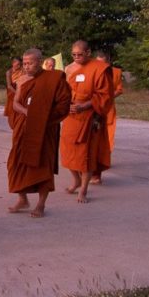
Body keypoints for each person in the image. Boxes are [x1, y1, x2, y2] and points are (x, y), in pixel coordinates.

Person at [7, 49, 71, 218]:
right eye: (25, 63)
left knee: (43, 164)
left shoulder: (54, 78)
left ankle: (41, 204)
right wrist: (29, 113)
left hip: (45, 127)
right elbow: (15, 104)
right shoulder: (21, 80)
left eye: (30, 63)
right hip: (24, 127)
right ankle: (22, 199)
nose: (27, 66)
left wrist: (42, 117)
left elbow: (64, 104)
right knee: (15, 162)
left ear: (40, 61)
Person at [60, 40, 113, 203]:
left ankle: (83, 190)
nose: (77, 57)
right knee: (67, 150)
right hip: (71, 115)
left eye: (80, 54)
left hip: (90, 116)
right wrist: (66, 105)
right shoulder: (69, 69)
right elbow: (62, 91)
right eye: (74, 54)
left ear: (88, 52)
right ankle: (75, 180)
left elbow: (104, 95)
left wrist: (84, 106)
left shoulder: (99, 68)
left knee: (86, 155)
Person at [94, 52, 123, 180]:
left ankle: (104, 159)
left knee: (109, 135)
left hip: (109, 108)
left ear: (108, 62)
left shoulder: (116, 72)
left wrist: (109, 96)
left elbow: (119, 89)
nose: (100, 65)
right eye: (98, 62)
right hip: (94, 107)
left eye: (103, 62)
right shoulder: (92, 72)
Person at [3, 57, 23, 128]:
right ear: (13, 63)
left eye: (20, 65)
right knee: (12, 110)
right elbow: (9, 86)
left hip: (21, 92)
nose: (19, 66)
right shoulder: (9, 72)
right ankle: (13, 126)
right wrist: (17, 93)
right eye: (17, 64)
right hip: (12, 93)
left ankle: (18, 126)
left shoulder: (22, 71)